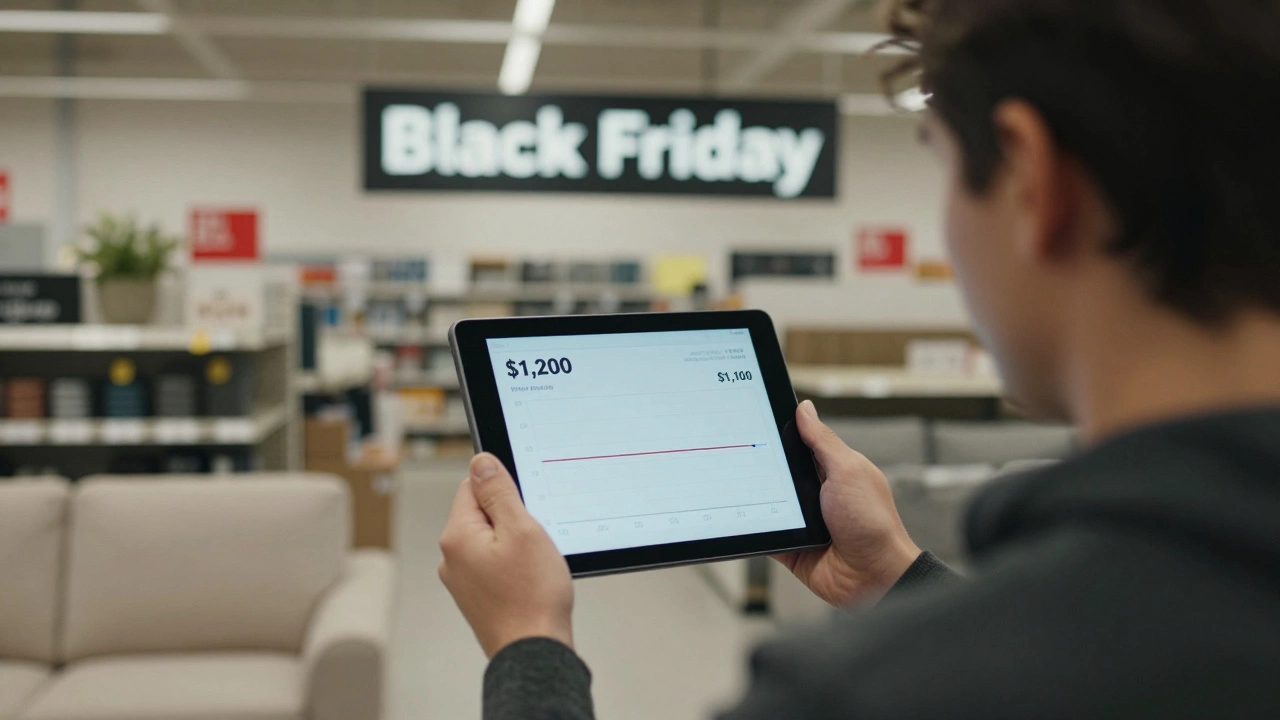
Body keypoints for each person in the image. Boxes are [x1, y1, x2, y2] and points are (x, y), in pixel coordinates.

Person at [438, 0, 1280, 717]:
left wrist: (529, 643)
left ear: (1033, 178)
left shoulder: (854, 696)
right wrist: (899, 578)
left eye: (943, 169)